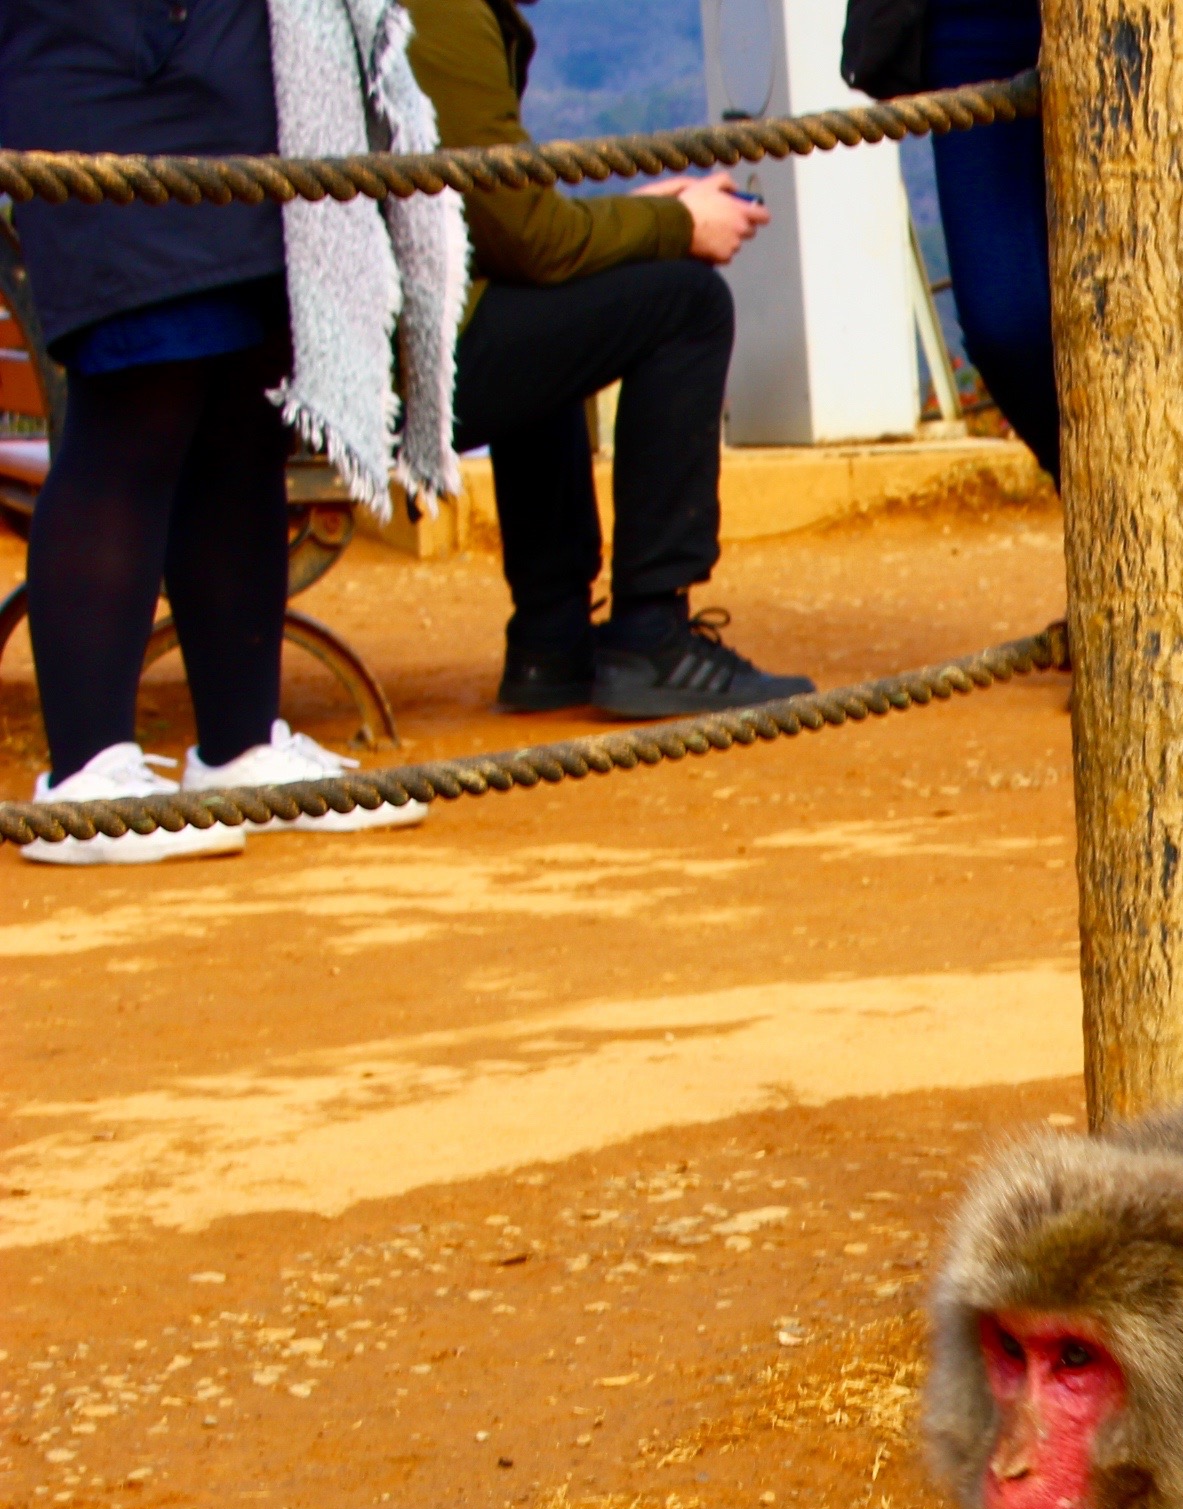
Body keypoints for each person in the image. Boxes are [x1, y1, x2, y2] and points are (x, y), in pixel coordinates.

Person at [1, 0, 426, 865]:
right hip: (105, 70)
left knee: (244, 417)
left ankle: (240, 750)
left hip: (250, 77)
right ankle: (85, 777)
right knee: (135, 401)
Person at [409, 0, 817, 718]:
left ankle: (552, 641)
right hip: (402, 367)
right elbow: (529, 240)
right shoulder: (443, 12)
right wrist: (674, 224)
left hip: (405, 335)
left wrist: (644, 214)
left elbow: (505, 228)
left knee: (566, 308)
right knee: (686, 304)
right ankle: (651, 636)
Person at [845, 0, 1059, 479]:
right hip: (975, 25)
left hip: (1132, 24)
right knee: (1002, 326)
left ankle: (1158, 515)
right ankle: (1100, 493)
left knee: (1132, 300)